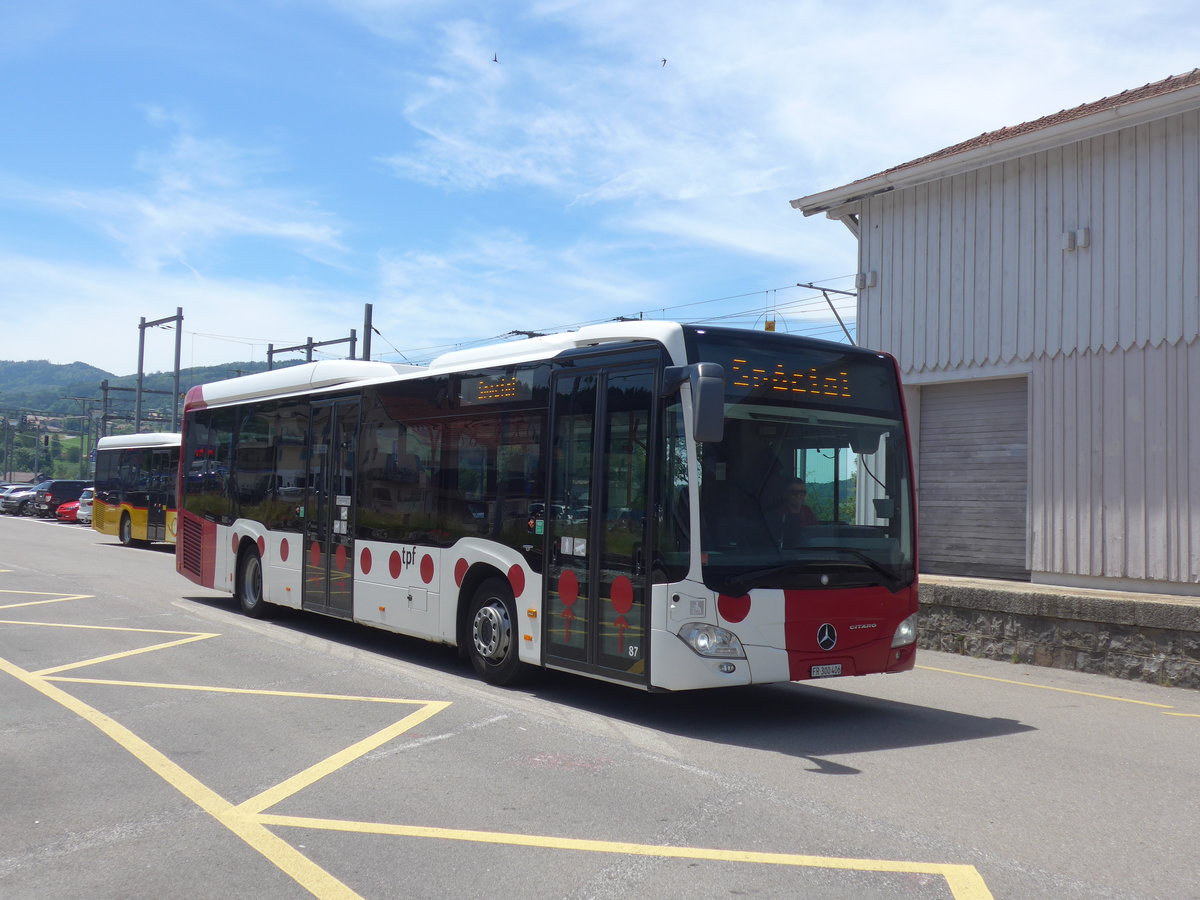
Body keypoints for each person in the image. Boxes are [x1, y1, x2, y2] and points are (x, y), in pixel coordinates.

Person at [769, 478, 817, 548]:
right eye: (794, 493)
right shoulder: (777, 513)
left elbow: (815, 532)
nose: (799, 496)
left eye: (802, 493)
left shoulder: (807, 511)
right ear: (785, 494)